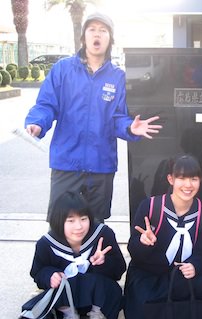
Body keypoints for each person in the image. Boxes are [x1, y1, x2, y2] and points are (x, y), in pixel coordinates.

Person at [25, 12, 162, 223]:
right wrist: (36, 123)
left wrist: (129, 128)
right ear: (84, 37)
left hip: (101, 166)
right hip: (66, 164)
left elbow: (118, 117)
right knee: (62, 224)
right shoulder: (63, 69)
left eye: (103, 30)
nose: (97, 34)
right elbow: (46, 104)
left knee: (96, 225)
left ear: (110, 39)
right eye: (92, 29)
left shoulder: (118, 77)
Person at [124, 155, 202, 319]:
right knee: (142, 300)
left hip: (185, 276)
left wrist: (195, 265)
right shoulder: (150, 206)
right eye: (181, 178)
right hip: (150, 276)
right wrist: (143, 242)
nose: (188, 185)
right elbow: (134, 251)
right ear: (170, 179)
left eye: (194, 179)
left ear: (200, 180)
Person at [25, 191, 126, 319]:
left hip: (98, 299)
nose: (78, 226)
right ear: (59, 221)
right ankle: (67, 314)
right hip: (66, 299)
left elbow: (119, 271)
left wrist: (103, 262)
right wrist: (50, 275)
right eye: (71, 221)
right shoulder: (46, 244)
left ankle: (98, 314)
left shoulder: (102, 234)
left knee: (108, 288)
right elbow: (38, 272)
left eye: (83, 219)